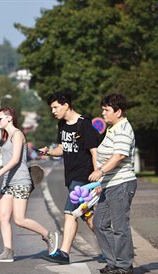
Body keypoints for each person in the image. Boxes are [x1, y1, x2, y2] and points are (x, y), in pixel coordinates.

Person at [0, 107, 58, 263]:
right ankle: (7, 252)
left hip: (21, 181)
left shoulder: (18, 135)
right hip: (8, 182)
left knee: (19, 219)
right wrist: (3, 179)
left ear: (9, 118)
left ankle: (49, 235)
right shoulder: (6, 137)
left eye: (0, 118)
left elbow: (15, 160)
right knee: (3, 217)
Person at [38, 90, 100, 264]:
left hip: (84, 178)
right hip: (71, 177)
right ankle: (112, 248)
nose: (53, 111)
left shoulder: (84, 125)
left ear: (66, 105)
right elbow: (62, 149)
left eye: (56, 107)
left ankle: (63, 253)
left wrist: (97, 177)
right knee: (88, 217)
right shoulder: (62, 125)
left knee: (70, 213)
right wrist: (49, 152)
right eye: (51, 108)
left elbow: (95, 152)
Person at [88, 93, 137, 274]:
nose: (103, 113)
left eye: (106, 110)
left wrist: (100, 172)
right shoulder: (112, 128)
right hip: (109, 183)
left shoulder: (123, 128)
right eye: (103, 109)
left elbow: (119, 156)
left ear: (118, 111)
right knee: (100, 223)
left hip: (122, 183)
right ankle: (113, 262)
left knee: (120, 225)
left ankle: (124, 264)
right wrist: (101, 180)